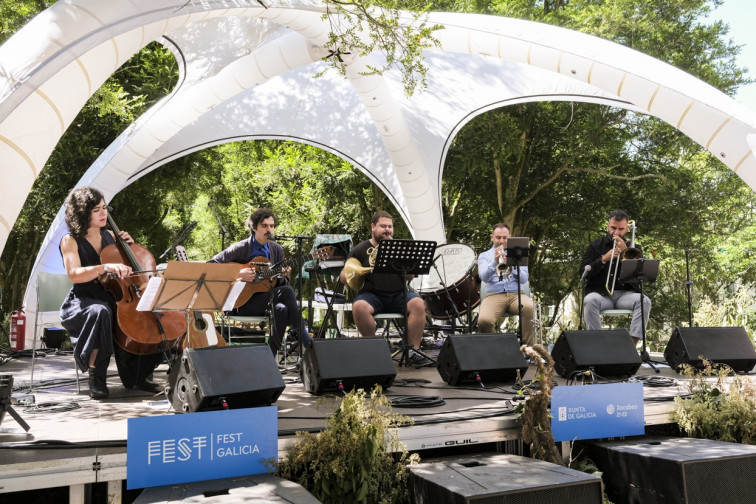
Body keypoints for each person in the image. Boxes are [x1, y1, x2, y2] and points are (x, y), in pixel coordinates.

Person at [59, 187, 162, 399]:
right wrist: (104, 267)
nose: (103, 213)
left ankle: (139, 374)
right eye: (97, 210)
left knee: (143, 312)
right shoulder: (69, 240)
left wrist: (128, 248)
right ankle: (97, 375)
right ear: (82, 212)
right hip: (84, 299)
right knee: (101, 312)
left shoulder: (112, 236)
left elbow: (131, 271)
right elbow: (74, 274)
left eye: (104, 208)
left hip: (114, 297)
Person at [208, 207, 311, 355]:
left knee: (282, 309)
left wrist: (282, 276)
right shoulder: (241, 248)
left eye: (272, 226)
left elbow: (283, 284)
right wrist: (238, 274)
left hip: (266, 302)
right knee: (287, 292)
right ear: (254, 228)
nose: (269, 229)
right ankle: (308, 342)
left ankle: (269, 356)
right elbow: (210, 265)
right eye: (264, 226)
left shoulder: (276, 250)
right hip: (240, 303)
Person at [339, 211, 431, 366]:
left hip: (398, 294)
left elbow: (409, 277)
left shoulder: (399, 248)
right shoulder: (361, 249)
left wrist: (410, 264)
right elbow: (343, 276)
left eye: (390, 226)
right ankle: (373, 349)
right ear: (373, 227)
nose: (387, 229)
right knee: (359, 306)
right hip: (371, 295)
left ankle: (414, 351)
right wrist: (351, 274)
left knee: (419, 304)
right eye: (383, 226)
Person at [579, 209, 650, 345]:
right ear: (607, 226)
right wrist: (603, 259)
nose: (616, 232)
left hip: (625, 295)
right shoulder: (595, 246)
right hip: (601, 294)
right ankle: (597, 344)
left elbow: (641, 275)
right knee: (589, 300)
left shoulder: (634, 248)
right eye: (613, 228)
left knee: (644, 301)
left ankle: (631, 346)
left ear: (627, 229)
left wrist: (625, 253)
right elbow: (583, 272)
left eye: (621, 229)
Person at [476, 223, 536, 345]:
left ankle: (528, 349)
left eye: (505, 238)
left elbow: (524, 279)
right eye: (498, 238)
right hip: (493, 295)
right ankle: (499, 348)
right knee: (483, 321)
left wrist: (512, 264)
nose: (502, 241)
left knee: (529, 307)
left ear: (510, 237)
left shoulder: (519, 254)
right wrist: (494, 262)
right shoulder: (484, 256)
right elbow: (483, 277)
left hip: (516, 294)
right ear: (491, 237)